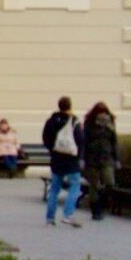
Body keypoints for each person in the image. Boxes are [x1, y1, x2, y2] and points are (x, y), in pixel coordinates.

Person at [40, 96, 82, 225]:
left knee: (54, 189)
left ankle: (50, 217)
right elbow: (80, 139)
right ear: (70, 106)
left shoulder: (52, 120)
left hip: (56, 158)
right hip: (71, 159)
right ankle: (68, 214)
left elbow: (45, 138)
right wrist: (79, 156)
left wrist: (53, 151)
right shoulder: (74, 120)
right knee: (74, 186)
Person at [81, 101, 121, 221]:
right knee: (93, 185)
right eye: (100, 113)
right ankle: (95, 211)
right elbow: (84, 142)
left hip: (107, 157)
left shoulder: (110, 124)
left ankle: (102, 203)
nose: (102, 115)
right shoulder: (89, 123)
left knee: (110, 182)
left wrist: (117, 159)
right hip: (92, 159)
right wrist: (82, 158)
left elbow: (114, 142)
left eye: (104, 112)